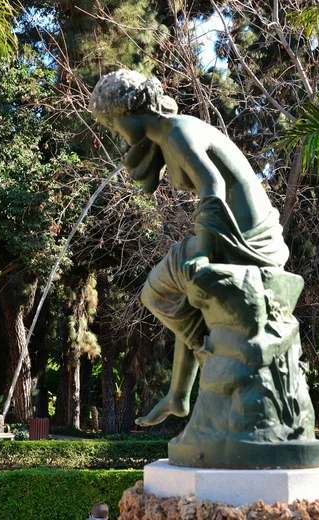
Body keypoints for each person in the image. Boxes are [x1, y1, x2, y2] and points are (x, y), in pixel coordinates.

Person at [89, 69, 289, 427]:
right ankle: (180, 395)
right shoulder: (166, 132)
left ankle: (201, 366)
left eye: (114, 123)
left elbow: (211, 182)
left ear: (133, 109)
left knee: (159, 290)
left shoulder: (178, 132)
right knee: (181, 294)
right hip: (237, 232)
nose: (115, 133)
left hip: (250, 239)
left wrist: (202, 253)